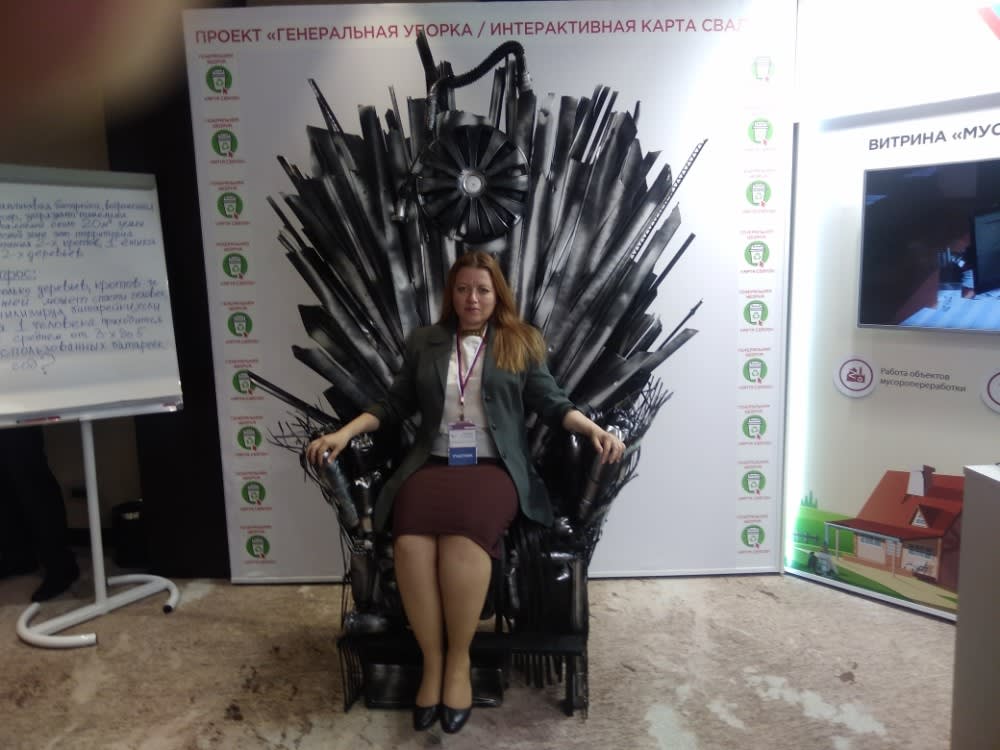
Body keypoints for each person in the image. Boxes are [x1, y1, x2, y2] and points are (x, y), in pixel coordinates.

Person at [306, 250, 625, 734]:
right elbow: (393, 404)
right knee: (411, 544)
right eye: (462, 289)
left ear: (497, 295)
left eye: (482, 289)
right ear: (450, 294)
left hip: (492, 469)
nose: (472, 298)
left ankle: (458, 661)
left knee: (462, 540)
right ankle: (432, 662)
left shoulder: (520, 341)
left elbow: (553, 402)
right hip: (432, 466)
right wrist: (343, 434)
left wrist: (594, 429)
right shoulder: (426, 342)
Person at [0, 426, 80, 602]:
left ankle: (61, 566)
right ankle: (18, 557)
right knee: (6, 479)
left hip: (19, 412)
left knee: (29, 476)